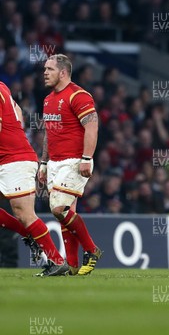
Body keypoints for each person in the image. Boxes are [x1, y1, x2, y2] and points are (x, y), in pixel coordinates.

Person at [37, 54, 102, 276]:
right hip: (54, 162)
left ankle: (92, 250)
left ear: (63, 73)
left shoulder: (79, 95)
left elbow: (92, 127)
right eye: (45, 69)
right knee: (65, 213)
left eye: (50, 69)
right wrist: (43, 162)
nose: (45, 72)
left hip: (74, 161)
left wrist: (87, 157)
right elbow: (49, 133)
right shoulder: (47, 100)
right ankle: (72, 266)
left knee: (59, 209)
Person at [0, 81, 67, 276]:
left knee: (24, 214)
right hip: (10, 156)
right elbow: (18, 111)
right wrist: (16, 132)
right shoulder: (3, 86)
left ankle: (56, 260)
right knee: (23, 215)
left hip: (15, 160)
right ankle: (30, 236)